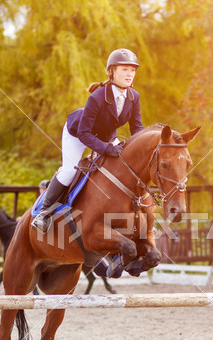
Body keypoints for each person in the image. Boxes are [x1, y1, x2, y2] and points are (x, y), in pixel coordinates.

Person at [31, 48, 144, 233]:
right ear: (112, 71)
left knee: (124, 165)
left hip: (106, 137)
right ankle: (43, 212)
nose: (129, 74)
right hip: (77, 134)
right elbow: (85, 134)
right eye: (124, 69)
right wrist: (106, 149)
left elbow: (137, 129)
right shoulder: (98, 96)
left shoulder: (134, 96)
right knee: (69, 170)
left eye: (132, 70)